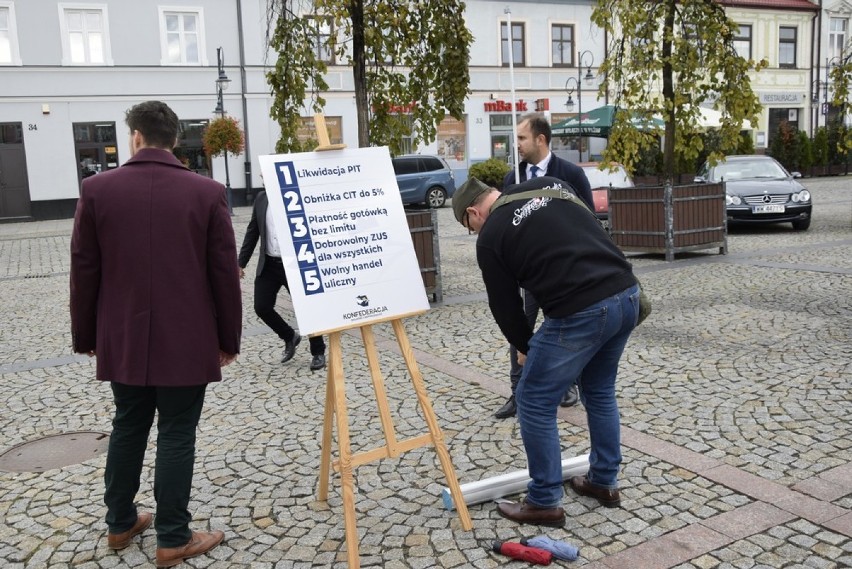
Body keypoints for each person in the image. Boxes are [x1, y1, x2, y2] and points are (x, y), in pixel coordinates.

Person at [70, 100, 242, 567]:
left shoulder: (97, 189)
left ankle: (120, 522)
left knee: (128, 425)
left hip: (123, 335)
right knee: (177, 432)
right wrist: (228, 338)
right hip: (186, 337)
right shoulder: (207, 192)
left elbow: (84, 269)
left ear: (136, 137)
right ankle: (172, 536)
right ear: (173, 140)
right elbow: (223, 273)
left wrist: (86, 334)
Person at [452, 175, 639, 527]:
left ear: (475, 212)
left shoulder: (491, 237)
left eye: (469, 226)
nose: (474, 233)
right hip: (626, 293)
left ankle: (544, 500)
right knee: (599, 391)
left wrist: (525, 347)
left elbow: (505, 307)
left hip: (581, 309)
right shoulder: (551, 185)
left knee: (534, 399)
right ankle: (603, 481)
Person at [494, 113, 594, 419]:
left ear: (541, 139)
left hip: (564, 273)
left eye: (522, 138)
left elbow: (587, 218)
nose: (517, 144)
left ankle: (567, 383)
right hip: (528, 272)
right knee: (518, 329)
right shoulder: (514, 177)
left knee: (566, 328)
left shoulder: (571, 174)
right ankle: (517, 391)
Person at [238, 190, 326, 371]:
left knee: (306, 307)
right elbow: (253, 230)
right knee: (261, 307)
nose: (262, 175)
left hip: (294, 264)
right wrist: (240, 263)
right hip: (269, 263)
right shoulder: (262, 198)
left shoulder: (297, 195)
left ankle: (318, 352)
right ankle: (289, 336)